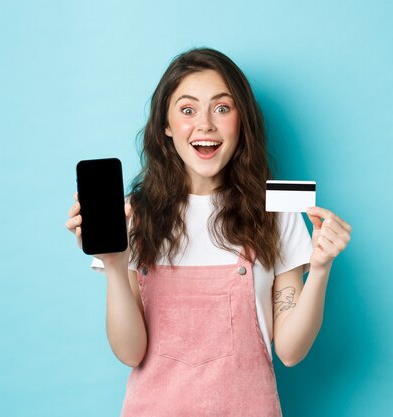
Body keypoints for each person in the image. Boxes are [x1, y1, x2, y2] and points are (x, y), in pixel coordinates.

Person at [66, 47, 352, 417]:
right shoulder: (132, 215)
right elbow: (129, 352)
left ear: (241, 120)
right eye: (187, 110)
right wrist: (114, 265)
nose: (205, 124)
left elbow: (291, 352)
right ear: (165, 126)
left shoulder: (275, 211)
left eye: (222, 107)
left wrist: (322, 267)